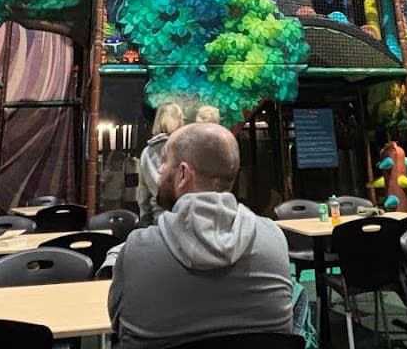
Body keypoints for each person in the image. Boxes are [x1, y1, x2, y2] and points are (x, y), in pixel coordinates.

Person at [108, 122, 292, 348]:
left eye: (165, 161)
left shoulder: (136, 250)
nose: (160, 173)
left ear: (184, 174)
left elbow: (119, 324)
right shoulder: (273, 239)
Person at [137, 103, 184, 226]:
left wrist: (145, 219)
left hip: (158, 220)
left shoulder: (146, 153)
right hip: (184, 220)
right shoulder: (186, 148)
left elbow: (143, 193)